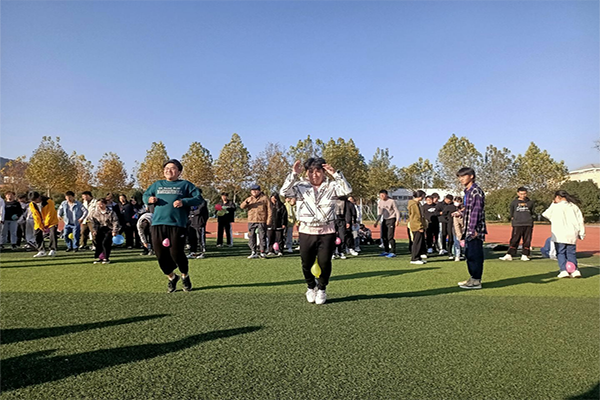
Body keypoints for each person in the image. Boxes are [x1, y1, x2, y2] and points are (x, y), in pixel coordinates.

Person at [280, 157, 352, 305]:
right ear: (306, 172)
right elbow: (284, 192)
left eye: (318, 171)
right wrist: (293, 174)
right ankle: (310, 286)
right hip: (307, 231)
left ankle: (322, 288)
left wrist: (335, 174)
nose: (314, 174)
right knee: (306, 262)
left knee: (325, 262)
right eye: (311, 171)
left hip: (327, 231)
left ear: (323, 172)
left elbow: (347, 190)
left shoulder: (331, 186)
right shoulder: (300, 186)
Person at [143, 159, 203, 293]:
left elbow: (198, 198)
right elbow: (145, 195)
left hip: (177, 224)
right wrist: (149, 199)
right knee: (160, 254)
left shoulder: (185, 185)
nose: (168, 171)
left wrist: (184, 202)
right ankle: (172, 277)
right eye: (166, 168)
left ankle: (184, 275)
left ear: (179, 171)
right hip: (158, 223)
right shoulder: (158, 184)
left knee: (176, 253)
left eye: (172, 168)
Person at [542, 190, 585, 278]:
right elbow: (580, 220)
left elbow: (545, 214)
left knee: (560, 252)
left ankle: (563, 270)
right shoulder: (574, 206)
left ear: (557, 197)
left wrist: (553, 204)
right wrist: (582, 233)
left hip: (559, 234)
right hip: (572, 233)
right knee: (571, 253)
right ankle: (575, 270)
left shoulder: (556, 206)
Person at [456, 167, 487, 290]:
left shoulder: (476, 192)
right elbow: (469, 210)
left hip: (474, 229)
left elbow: (476, 211)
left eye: (463, 176)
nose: (461, 179)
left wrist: (473, 229)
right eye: (460, 177)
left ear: (471, 176)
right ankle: (473, 278)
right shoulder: (467, 192)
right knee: (469, 254)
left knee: (475, 255)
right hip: (468, 228)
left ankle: (476, 280)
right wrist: (460, 213)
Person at [499, 187, 535, 262]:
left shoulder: (530, 202)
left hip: (528, 223)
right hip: (517, 223)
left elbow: (532, 212)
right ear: (518, 193)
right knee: (514, 239)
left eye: (524, 194)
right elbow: (512, 213)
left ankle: (525, 254)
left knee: (527, 240)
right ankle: (510, 254)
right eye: (521, 194)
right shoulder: (514, 202)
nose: (523, 195)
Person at [240, 184, 270, 259]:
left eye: (256, 190)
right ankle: (253, 251)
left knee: (262, 236)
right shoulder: (249, 199)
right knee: (251, 236)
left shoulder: (265, 198)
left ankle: (262, 252)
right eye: (252, 190)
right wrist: (246, 202)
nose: (254, 192)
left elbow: (270, 210)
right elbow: (242, 207)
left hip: (261, 220)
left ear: (259, 191)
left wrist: (269, 220)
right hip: (251, 220)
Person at [28, 191, 59, 258]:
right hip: (39, 222)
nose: (34, 202)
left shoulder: (49, 202)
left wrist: (46, 224)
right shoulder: (32, 204)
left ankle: (53, 249)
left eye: (35, 200)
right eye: (33, 200)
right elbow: (35, 215)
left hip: (52, 221)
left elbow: (50, 214)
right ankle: (41, 250)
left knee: (52, 233)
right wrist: (40, 225)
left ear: (39, 197)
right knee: (36, 234)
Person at [89, 198, 120, 264]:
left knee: (105, 243)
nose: (100, 206)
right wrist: (94, 230)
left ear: (105, 204)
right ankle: (100, 258)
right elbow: (94, 222)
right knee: (98, 243)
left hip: (109, 229)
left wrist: (114, 231)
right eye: (98, 204)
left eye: (101, 204)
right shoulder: (95, 213)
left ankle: (106, 258)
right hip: (100, 229)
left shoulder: (111, 212)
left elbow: (115, 222)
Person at [374, 189, 400, 258]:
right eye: (380, 195)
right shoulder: (380, 202)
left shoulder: (392, 201)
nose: (381, 196)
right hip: (385, 220)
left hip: (391, 219)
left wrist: (397, 220)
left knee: (390, 237)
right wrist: (376, 221)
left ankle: (393, 251)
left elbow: (397, 211)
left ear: (386, 195)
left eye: (383, 195)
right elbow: (380, 213)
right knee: (383, 236)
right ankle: (386, 251)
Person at [408, 190, 427, 264]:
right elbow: (416, 216)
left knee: (420, 242)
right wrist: (419, 227)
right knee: (417, 242)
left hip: (419, 225)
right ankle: (414, 258)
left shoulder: (418, 203)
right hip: (416, 226)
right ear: (420, 196)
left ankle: (418, 257)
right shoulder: (413, 204)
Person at [451, 197, 465, 262]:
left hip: (466, 230)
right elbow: (456, 226)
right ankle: (457, 256)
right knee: (457, 242)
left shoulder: (468, 214)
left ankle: (467, 255)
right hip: (457, 231)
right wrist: (460, 237)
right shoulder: (455, 216)